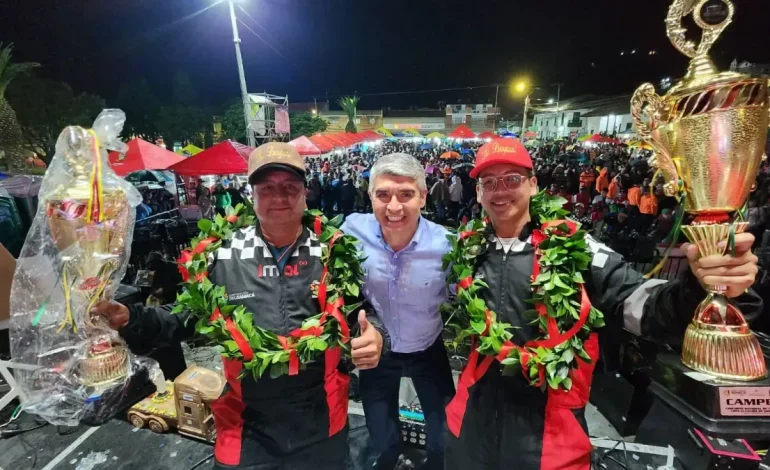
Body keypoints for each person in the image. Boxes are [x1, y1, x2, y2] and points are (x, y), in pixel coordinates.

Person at [444, 139, 762, 470]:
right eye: (489, 183)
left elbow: (644, 308)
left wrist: (702, 287)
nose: (500, 191)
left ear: (533, 185)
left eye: (512, 179)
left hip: (550, 441)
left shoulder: (577, 248)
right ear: (479, 193)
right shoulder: (468, 251)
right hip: (469, 427)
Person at [92, 142, 388, 470]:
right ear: (252, 195)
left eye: (290, 187)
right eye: (268, 187)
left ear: (306, 193)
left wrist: (377, 338)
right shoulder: (223, 254)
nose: (280, 196)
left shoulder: (334, 252)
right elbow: (186, 317)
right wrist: (131, 317)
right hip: (247, 429)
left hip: (322, 424)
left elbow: (363, 317)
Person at [341, 154, 456, 470]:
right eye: (383, 195)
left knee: (443, 432)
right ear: (370, 195)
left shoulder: (447, 245)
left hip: (427, 348)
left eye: (406, 195)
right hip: (378, 353)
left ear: (422, 196)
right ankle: (389, 458)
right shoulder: (351, 231)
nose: (394, 207)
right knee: (380, 430)